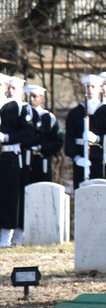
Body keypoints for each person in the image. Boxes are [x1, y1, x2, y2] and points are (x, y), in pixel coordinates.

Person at [65, 74, 106, 189]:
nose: (89, 90)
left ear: (100, 88)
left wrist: (98, 139)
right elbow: (69, 140)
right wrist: (77, 158)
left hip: (101, 159)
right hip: (81, 158)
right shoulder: (75, 113)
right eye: (87, 87)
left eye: (93, 87)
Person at [0, 76, 35, 247]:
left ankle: (6, 234)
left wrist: (6, 137)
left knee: (8, 195)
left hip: (8, 156)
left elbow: (28, 133)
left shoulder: (16, 107)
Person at [24, 85, 63, 184]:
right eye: (28, 96)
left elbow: (57, 141)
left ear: (41, 98)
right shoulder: (22, 115)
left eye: (34, 96)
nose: (31, 99)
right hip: (25, 161)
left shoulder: (48, 117)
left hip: (42, 161)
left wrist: (42, 147)